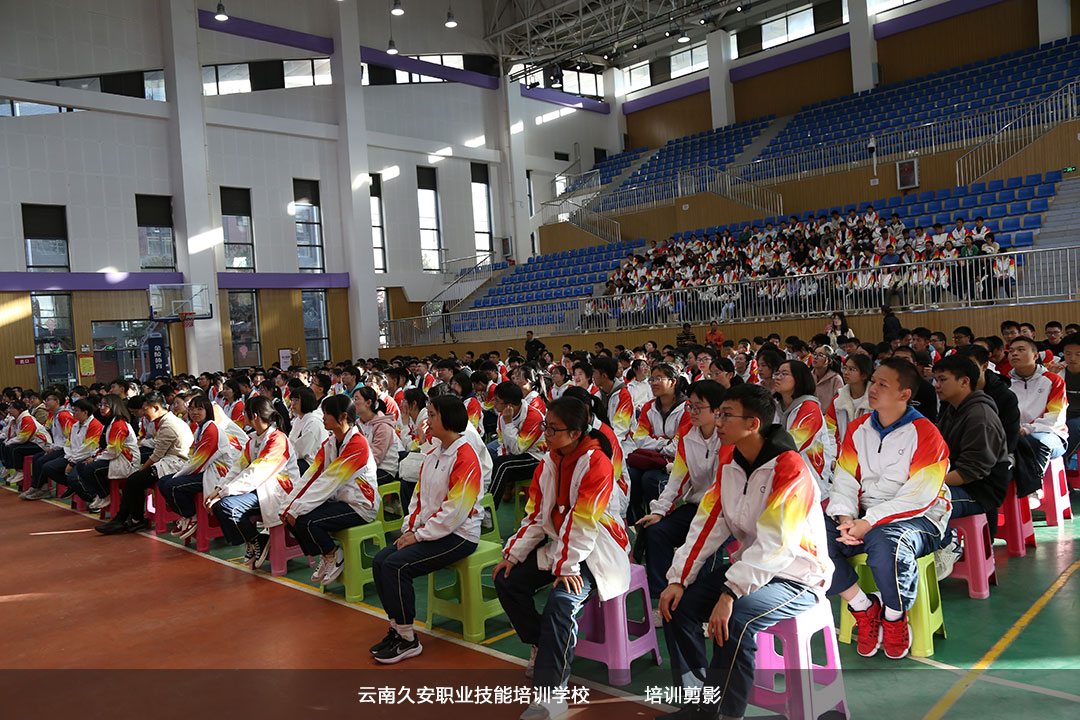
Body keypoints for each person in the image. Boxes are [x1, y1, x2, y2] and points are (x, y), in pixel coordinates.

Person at [657, 383, 831, 720]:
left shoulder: (791, 469)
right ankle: (699, 702)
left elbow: (777, 545)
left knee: (737, 618)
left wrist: (730, 592)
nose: (717, 423)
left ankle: (725, 714)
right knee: (678, 608)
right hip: (753, 568)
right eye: (718, 414)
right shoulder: (730, 462)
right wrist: (678, 578)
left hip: (797, 575)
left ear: (753, 424)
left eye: (725, 415)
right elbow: (708, 523)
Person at [494, 397, 630, 720]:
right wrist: (514, 554)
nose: (546, 434)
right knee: (506, 579)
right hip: (560, 545)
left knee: (562, 601)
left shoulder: (597, 462)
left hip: (596, 549)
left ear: (575, 433)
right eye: (546, 427)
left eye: (552, 430)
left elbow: (583, 522)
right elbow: (535, 515)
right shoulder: (548, 461)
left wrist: (567, 567)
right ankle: (544, 646)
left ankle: (551, 695)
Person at [826, 358, 950, 660]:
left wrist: (868, 523)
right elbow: (843, 478)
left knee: (887, 545)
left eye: (883, 384)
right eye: (874, 381)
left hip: (921, 516)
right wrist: (845, 518)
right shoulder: (858, 429)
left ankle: (894, 617)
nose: (873, 388)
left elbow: (919, 496)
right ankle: (863, 607)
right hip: (864, 512)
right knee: (810, 536)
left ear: (904, 394)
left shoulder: (925, 433)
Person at [369, 395, 484, 664]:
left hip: (460, 534)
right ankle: (397, 628)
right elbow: (419, 497)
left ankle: (408, 639)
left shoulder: (466, 455)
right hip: (432, 530)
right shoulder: (435, 451)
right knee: (380, 561)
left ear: (449, 420)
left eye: (432, 415)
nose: (427, 421)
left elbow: (454, 512)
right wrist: (409, 528)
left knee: (396, 566)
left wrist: (418, 535)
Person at [635, 380, 725, 608]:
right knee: (656, 530)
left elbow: (722, 487)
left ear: (717, 411)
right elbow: (678, 477)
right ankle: (660, 596)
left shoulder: (727, 436)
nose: (692, 412)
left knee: (707, 539)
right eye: (690, 406)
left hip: (723, 512)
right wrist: (659, 511)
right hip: (696, 507)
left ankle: (705, 606)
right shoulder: (687, 433)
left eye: (698, 407)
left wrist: (703, 519)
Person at [280, 394, 381, 586]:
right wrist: (289, 504)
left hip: (359, 506)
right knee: (292, 518)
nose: (323, 417)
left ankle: (333, 554)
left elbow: (328, 481)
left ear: (343, 417)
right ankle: (327, 556)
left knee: (307, 521)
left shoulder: (357, 444)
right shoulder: (330, 443)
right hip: (339, 500)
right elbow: (310, 476)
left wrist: (297, 507)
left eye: (327, 413)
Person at [933, 354, 1010, 573]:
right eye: (936, 380)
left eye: (942, 380)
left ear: (964, 381)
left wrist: (928, 483)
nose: (937, 386)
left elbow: (971, 471)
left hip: (979, 490)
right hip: (958, 482)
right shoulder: (953, 408)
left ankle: (948, 546)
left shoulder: (980, 415)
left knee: (924, 502)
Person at [206, 396, 298, 565]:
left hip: (279, 491)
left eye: (244, 413)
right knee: (219, 505)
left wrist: (225, 492)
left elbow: (257, 473)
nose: (243, 416)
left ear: (254, 416)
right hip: (259, 488)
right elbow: (238, 468)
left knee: (228, 506)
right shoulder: (254, 439)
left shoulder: (277, 440)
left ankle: (257, 540)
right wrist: (218, 489)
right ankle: (253, 541)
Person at [95, 392, 193, 535]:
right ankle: (128, 518)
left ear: (156, 408)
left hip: (174, 463)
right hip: (169, 459)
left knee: (134, 480)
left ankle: (132, 519)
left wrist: (142, 470)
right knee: (134, 480)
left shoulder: (168, 425)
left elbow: (157, 455)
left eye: (145, 409)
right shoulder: (166, 420)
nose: (143, 413)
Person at [157, 394, 244, 540]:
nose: (194, 412)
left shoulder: (211, 429)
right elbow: (193, 457)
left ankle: (192, 516)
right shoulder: (200, 429)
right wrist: (179, 473)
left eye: (199, 409)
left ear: (208, 410)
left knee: (172, 485)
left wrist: (179, 475)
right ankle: (187, 515)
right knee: (162, 481)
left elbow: (198, 462)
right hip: (204, 470)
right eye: (191, 409)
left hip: (216, 474)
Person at [627, 363, 688, 524]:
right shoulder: (649, 407)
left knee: (650, 478)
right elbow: (639, 439)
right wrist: (664, 443)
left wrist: (655, 440)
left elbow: (680, 445)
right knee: (631, 475)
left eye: (658, 378)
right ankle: (636, 522)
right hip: (652, 459)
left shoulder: (686, 409)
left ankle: (659, 521)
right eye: (651, 379)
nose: (653, 383)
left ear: (673, 381)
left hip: (676, 463)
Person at [1008, 336, 1069, 496]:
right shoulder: (1006, 384)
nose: (1014, 354)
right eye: (1012, 351)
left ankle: (1034, 489)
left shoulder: (1053, 380)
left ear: (1035, 356)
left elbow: (1055, 417)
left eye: (1021, 350)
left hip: (1052, 435)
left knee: (1037, 441)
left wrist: (1026, 429)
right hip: (1017, 435)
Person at [773, 360, 835, 496]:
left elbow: (792, 444)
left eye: (784, 374)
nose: (777, 377)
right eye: (777, 373)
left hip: (809, 475)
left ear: (799, 379)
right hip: (782, 469)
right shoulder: (776, 405)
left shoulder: (810, 408)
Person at [72, 394, 138, 511]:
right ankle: (100, 494)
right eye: (101, 405)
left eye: (105, 405)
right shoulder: (109, 422)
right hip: (114, 457)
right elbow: (103, 445)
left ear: (114, 406)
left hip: (125, 460)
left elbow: (114, 450)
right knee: (82, 466)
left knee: (90, 468)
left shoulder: (118, 423)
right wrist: (95, 456)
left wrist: (96, 459)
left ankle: (106, 495)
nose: (101, 408)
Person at [488, 381, 546, 507]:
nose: (494, 403)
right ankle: (485, 504)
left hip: (537, 458)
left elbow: (517, 449)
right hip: (519, 457)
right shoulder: (503, 415)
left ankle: (488, 509)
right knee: (493, 461)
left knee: (503, 465)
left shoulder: (534, 417)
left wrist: (508, 423)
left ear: (508, 405)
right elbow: (502, 444)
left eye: (497, 401)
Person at [355, 386, 402, 483]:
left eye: (356, 399)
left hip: (384, 469)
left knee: (354, 483)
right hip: (364, 467)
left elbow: (376, 458)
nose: (353, 402)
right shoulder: (358, 424)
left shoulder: (383, 426)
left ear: (368, 403)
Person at [826, 354, 873, 449]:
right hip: (844, 456)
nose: (846, 372)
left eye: (852, 369)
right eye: (845, 368)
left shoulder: (876, 401)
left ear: (864, 375)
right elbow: (829, 430)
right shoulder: (838, 401)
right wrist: (834, 455)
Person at [2, 399, 51, 487]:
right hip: (31, 442)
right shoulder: (16, 420)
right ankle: (8, 468)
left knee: (14, 448)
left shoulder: (27, 419)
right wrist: (8, 438)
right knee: (4, 444)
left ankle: (20, 471)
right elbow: (11, 435)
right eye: (9, 408)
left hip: (41, 444)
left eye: (12, 408)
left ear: (20, 410)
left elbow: (22, 438)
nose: (9, 410)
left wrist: (9, 442)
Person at [591, 355, 634, 447]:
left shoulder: (623, 395)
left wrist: (606, 446)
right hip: (602, 439)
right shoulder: (597, 395)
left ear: (604, 376)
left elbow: (621, 429)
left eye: (594, 373)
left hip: (622, 443)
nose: (593, 376)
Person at [288, 387, 326, 476]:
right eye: (292, 400)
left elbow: (302, 451)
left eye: (296, 400)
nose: (292, 403)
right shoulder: (299, 419)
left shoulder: (313, 422)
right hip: (297, 457)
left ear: (306, 401)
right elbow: (291, 441)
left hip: (311, 463)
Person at [1062, 333, 1080, 465]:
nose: (1072, 358)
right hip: (1061, 415)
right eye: (1068, 353)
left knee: (1073, 427)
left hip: (1077, 417)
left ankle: (1063, 463)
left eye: (1078, 354)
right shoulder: (1056, 372)